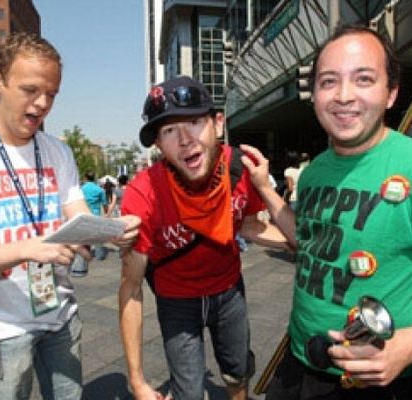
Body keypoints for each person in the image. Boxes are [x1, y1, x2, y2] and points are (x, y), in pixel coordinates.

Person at [241, 25, 412, 400]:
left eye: (363, 79)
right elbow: (313, 243)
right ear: (314, 94)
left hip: (383, 386)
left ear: (391, 92)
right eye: (328, 81)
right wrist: (266, 191)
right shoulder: (315, 171)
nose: (344, 95)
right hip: (297, 366)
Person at [0, 32, 139, 400]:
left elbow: (77, 215)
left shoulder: (58, 152)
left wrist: (110, 231)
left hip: (60, 313)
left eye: (52, 94)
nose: (43, 104)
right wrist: (27, 249)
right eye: (31, 90)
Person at [118, 76, 291, 400]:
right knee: (188, 392)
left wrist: (303, 245)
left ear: (218, 123)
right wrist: (137, 381)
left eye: (195, 122)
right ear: (158, 144)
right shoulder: (144, 193)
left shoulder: (241, 169)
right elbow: (130, 287)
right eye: (169, 130)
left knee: (237, 374)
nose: (184, 139)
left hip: (229, 291)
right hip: (176, 299)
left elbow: (250, 225)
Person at [81, 171, 109, 261]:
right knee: (97, 235)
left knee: (85, 235)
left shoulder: (82, 189)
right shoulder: (99, 189)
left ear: (86, 177)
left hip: (84, 213)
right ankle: (99, 255)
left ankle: (86, 253)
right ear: (94, 178)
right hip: (96, 213)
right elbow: (104, 204)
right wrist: (106, 212)